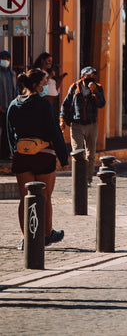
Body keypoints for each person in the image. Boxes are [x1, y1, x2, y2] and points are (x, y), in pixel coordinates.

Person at [7, 68, 69, 246]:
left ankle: (25, 238)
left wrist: (15, 153)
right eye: (43, 84)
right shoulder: (44, 105)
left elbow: (10, 134)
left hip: (21, 157)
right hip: (43, 155)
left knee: (24, 198)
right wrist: (63, 157)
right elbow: (54, 131)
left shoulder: (13, 104)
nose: (45, 87)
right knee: (45, 197)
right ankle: (47, 234)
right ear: (35, 85)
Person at [60, 66, 106, 184]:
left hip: (92, 125)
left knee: (91, 154)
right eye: (88, 75)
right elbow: (65, 104)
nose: (91, 78)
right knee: (78, 153)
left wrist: (94, 91)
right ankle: (78, 180)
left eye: (93, 76)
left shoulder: (98, 87)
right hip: (77, 125)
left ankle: (88, 179)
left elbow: (101, 104)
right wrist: (62, 120)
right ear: (82, 76)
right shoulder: (74, 87)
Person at [0, 51, 15, 160]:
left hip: (9, 108)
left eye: (7, 58)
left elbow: (16, 90)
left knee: (7, 132)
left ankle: (5, 154)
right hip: (0, 107)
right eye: (3, 58)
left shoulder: (12, 74)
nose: (5, 60)